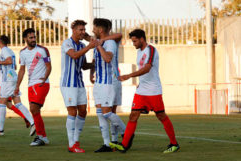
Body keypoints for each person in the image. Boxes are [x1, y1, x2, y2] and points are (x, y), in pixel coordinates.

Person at [109, 29, 180, 153]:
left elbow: (147, 69)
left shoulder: (151, 50)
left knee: (161, 116)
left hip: (153, 90)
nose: (134, 44)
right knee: (133, 115)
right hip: (141, 90)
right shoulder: (139, 52)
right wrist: (139, 84)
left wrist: (129, 75)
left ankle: (174, 143)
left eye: (135, 41)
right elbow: (143, 71)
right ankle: (124, 145)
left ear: (142, 39)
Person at [61, 20, 97, 153]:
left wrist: (93, 64)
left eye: (84, 30)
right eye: (80, 30)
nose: (83, 32)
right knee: (72, 111)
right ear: (74, 30)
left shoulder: (82, 45)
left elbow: (82, 65)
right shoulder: (67, 43)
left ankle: (76, 140)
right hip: (68, 83)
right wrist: (89, 46)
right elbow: (74, 55)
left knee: (83, 111)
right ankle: (71, 144)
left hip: (79, 83)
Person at [0, 35, 35, 136]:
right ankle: (32, 122)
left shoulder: (4, 50)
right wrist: (1, 68)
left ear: (0, 42)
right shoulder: (10, 51)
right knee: (17, 103)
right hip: (12, 77)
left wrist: (0, 62)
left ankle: (0, 130)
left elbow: (9, 61)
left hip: (8, 80)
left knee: (2, 103)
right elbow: (14, 65)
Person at [91, 18, 126, 152]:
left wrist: (99, 44)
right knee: (101, 113)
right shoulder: (98, 42)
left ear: (100, 30)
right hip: (100, 82)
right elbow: (97, 59)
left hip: (109, 81)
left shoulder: (109, 42)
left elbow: (107, 58)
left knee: (108, 113)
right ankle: (108, 144)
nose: (92, 30)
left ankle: (126, 133)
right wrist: (91, 72)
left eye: (94, 27)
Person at [15, 28, 51, 146]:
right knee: (34, 110)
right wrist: (17, 86)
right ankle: (43, 137)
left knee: (34, 108)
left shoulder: (42, 50)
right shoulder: (22, 52)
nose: (33, 39)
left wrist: (45, 78)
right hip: (30, 85)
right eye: (31, 38)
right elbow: (21, 70)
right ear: (25, 39)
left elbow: (49, 66)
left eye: (34, 37)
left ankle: (40, 136)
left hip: (42, 83)